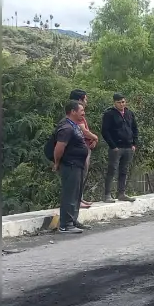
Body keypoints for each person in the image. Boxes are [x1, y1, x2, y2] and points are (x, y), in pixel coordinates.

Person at [52, 100, 90, 233]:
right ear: (73, 112)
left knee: (76, 195)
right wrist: (57, 163)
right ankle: (65, 225)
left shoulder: (74, 126)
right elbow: (59, 148)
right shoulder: (66, 128)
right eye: (81, 111)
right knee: (70, 194)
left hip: (77, 165)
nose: (83, 113)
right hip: (70, 165)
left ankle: (73, 220)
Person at [101, 93, 139, 203]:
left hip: (129, 146)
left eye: (123, 102)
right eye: (119, 102)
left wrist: (134, 144)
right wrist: (113, 146)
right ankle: (107, 195)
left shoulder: (129, 113)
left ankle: (121, 193)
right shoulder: (109, 114)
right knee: (112, 170)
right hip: (116, 147)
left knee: (124, 170)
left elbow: (135, 128)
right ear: (114, 103)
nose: (121, 104)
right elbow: (105, 131)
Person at [69, 89, 99, 209]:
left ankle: (79, 198)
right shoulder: (76, 112)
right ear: (80, 100)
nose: (87, 101)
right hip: (79, 149)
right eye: (85, 99)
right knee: (79, 175)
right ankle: (76, 200)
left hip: (84, 147)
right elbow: (83, 130)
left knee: (82, 175)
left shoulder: (78, 112)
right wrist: (95, 137)